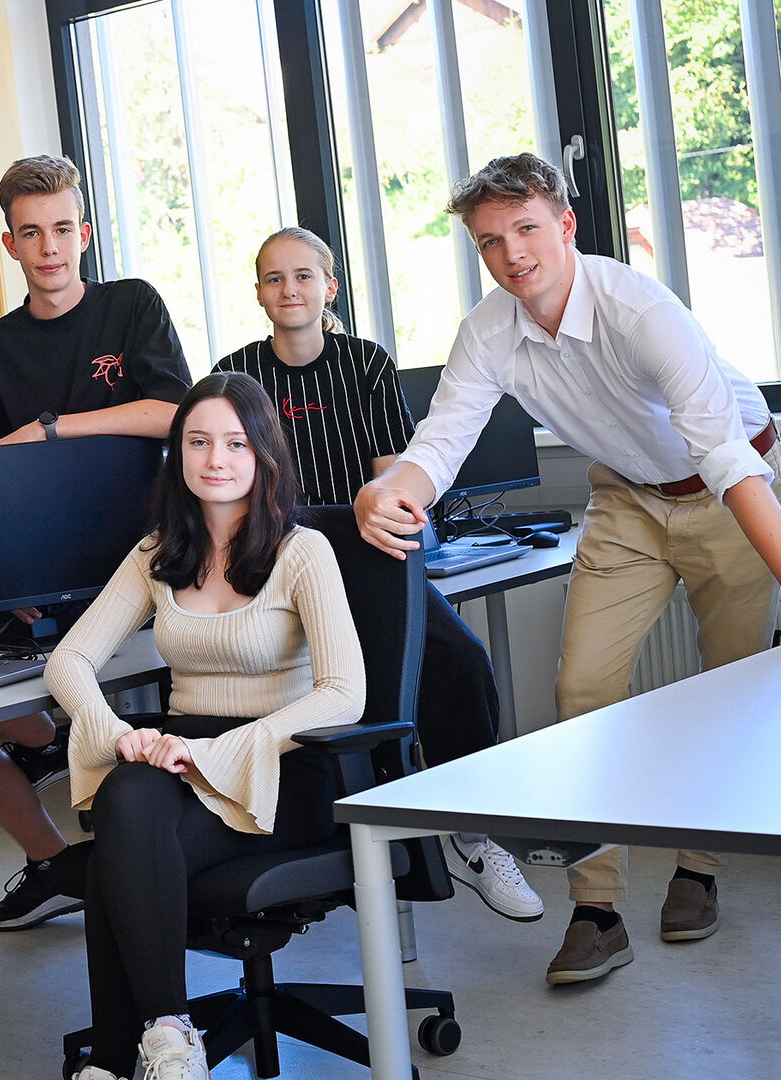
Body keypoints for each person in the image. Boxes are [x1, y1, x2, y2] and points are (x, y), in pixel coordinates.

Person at [354, 152, 781, 986]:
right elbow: (439, 447)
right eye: (490, 241)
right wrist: (384, 494)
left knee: (730, 685)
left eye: (526, 229)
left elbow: (725, 460)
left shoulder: (641, 311)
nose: (512, 254)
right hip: (627, 498)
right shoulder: (488, 331)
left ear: (565, 225)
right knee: (581, 691)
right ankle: (597, 910)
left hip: (731, 486)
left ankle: (699, 870)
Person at [214, 226, 542, 922]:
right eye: (274, 278)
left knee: (460, 662)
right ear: (259, 294)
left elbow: (394, 474)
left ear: (329, 288)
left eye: (304, 276)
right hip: (274, 570)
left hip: (367, 559)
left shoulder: (365, 363)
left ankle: (471, 833)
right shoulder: (234, 377)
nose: (289, 289)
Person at [45, 371, 366, 1080]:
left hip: (281, 765)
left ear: (264, 454)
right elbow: (68, 660)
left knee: (113, 857)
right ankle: (168, 1035)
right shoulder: (158, 553)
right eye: (198, 442)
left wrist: (221, 750)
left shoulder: (302, 551)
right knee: (127, 794)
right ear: (179, 453)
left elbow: (346, 693)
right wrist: (112, 730)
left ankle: (116, 1059)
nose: (215, 459)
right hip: (183, 758)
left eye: (235, 443)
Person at [0, 153, 194, 932]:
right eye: (32, 232)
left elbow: (175, 413)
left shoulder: (131, 304)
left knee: (88, 698)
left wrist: (53, 427)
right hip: (42, 574)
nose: (49, 247)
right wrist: (3, 579)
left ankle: (54, 738)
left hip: (139, 563)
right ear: (10, 243)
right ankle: (54, 857)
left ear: (85, 233)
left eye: (63, 229)